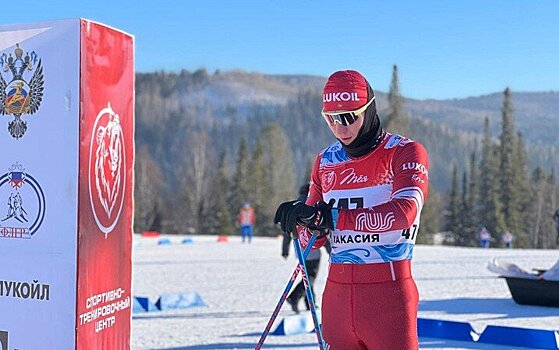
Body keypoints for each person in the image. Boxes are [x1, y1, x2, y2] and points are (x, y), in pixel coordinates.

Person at [274, 70, 429, 349]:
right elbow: (312, 243)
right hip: (337, 300)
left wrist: (332, 217)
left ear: (369, 110)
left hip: (388, 298)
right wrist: (303, 221)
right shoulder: (326, 160)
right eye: (331, 118)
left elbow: (405, 211)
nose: (340, 128)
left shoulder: (403, 152)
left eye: (349, 117)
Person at [282, 184, 331, 314]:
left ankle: (310, 303)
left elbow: (287, 231)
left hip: (300, 247)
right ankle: (294, 297)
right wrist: (330, 249)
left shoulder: (295, 205)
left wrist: (285, 250)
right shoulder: (312, 204)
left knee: (308, 275)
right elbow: (320, 229)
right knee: (310, 276)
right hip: (312, 248)